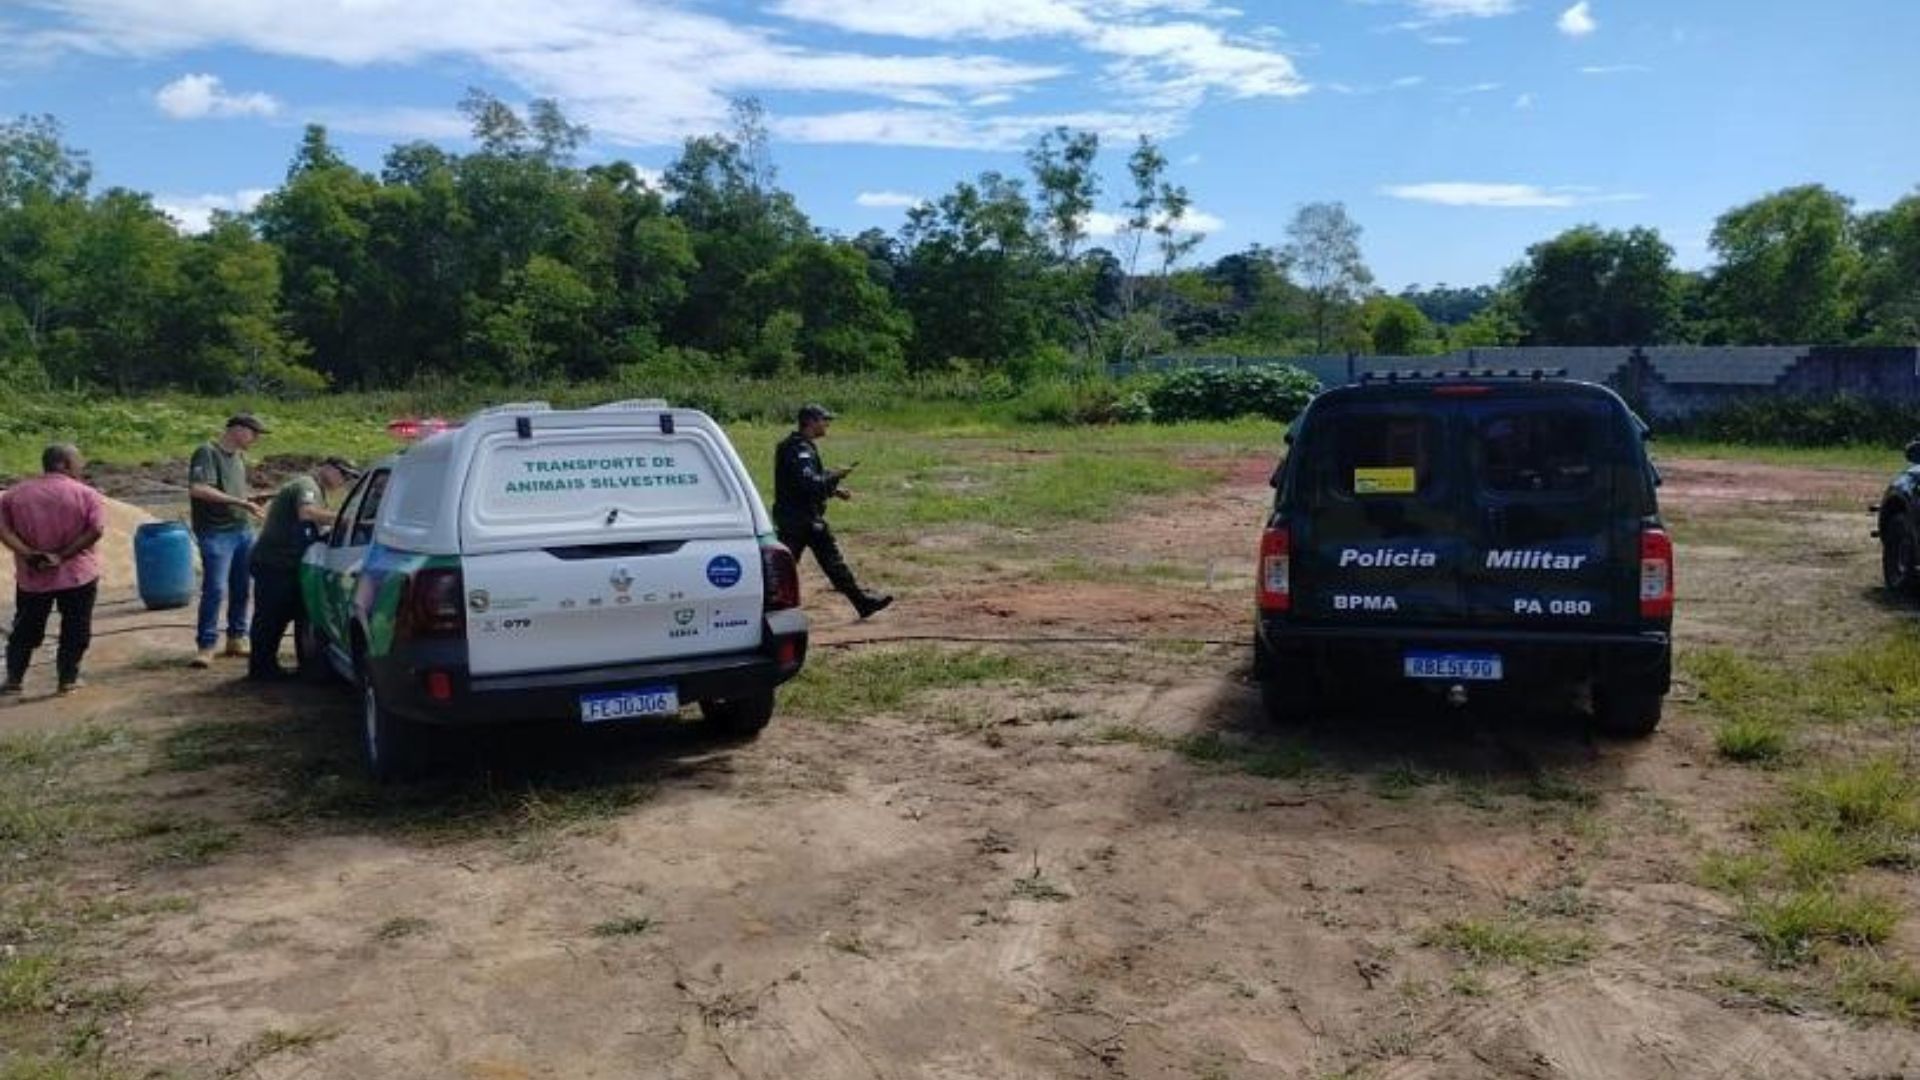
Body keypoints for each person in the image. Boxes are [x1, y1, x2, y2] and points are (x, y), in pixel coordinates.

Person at [0, 444, 106, 697]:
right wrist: (62, 555)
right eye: (78, 461)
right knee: (75, 628)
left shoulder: (14, 495)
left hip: (32, 577)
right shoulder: (87, 494)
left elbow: (3, 530)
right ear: (63, 464)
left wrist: (29, 554)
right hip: (77, 575)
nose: (82, 466)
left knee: (25, 628)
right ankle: (67, 680)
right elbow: (96, 529)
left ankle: (14, 680)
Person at [773, 404, 892, 619]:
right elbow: (809, 484)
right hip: (800, 520)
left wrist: (834, 490)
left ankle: (862, 603)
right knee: (785, 568)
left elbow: (800, 484)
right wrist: (834, 475)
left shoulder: (798, 446)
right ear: (811, 422)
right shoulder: (798, 449)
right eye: (823, 420)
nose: (827, 424)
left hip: (800, 518)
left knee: (828, 563)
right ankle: (771, 608)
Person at [246, 457, 360, 681]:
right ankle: (261, 668)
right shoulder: (307, 486)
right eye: (343, 474)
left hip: (286, 563)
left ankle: (282, 666)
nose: (344, 481)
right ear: (328, 468)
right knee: (270, 618)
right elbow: (307, 513)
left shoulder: (316, 490)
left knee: (292, 613)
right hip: (274, 562)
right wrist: (346, 520)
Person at [187, 414, 267, 668]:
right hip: (216, 532)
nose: (255, 439)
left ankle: (236, 637)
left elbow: (233, 493)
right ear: (238, 430)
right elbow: (199, 489)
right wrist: (240, 502)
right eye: (253, 434)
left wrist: (250, 500)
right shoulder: (207, 453)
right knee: (215, 589)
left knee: (242, 587)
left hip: (242, 530)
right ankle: (206, 645)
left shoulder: (239, 458)